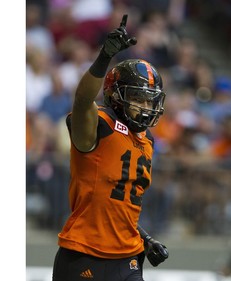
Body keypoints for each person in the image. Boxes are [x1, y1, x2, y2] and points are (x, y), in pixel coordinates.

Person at [52, 14, 169, 281]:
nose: (147, 107)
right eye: (138, 98)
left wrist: (145, 237)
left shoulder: (146, 140)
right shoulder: (100, 126)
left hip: (128, 256)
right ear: (115, 95)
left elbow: (118, 203)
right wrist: (104, 57)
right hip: (84, 253)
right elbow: (82, 101)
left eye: (151, 101)